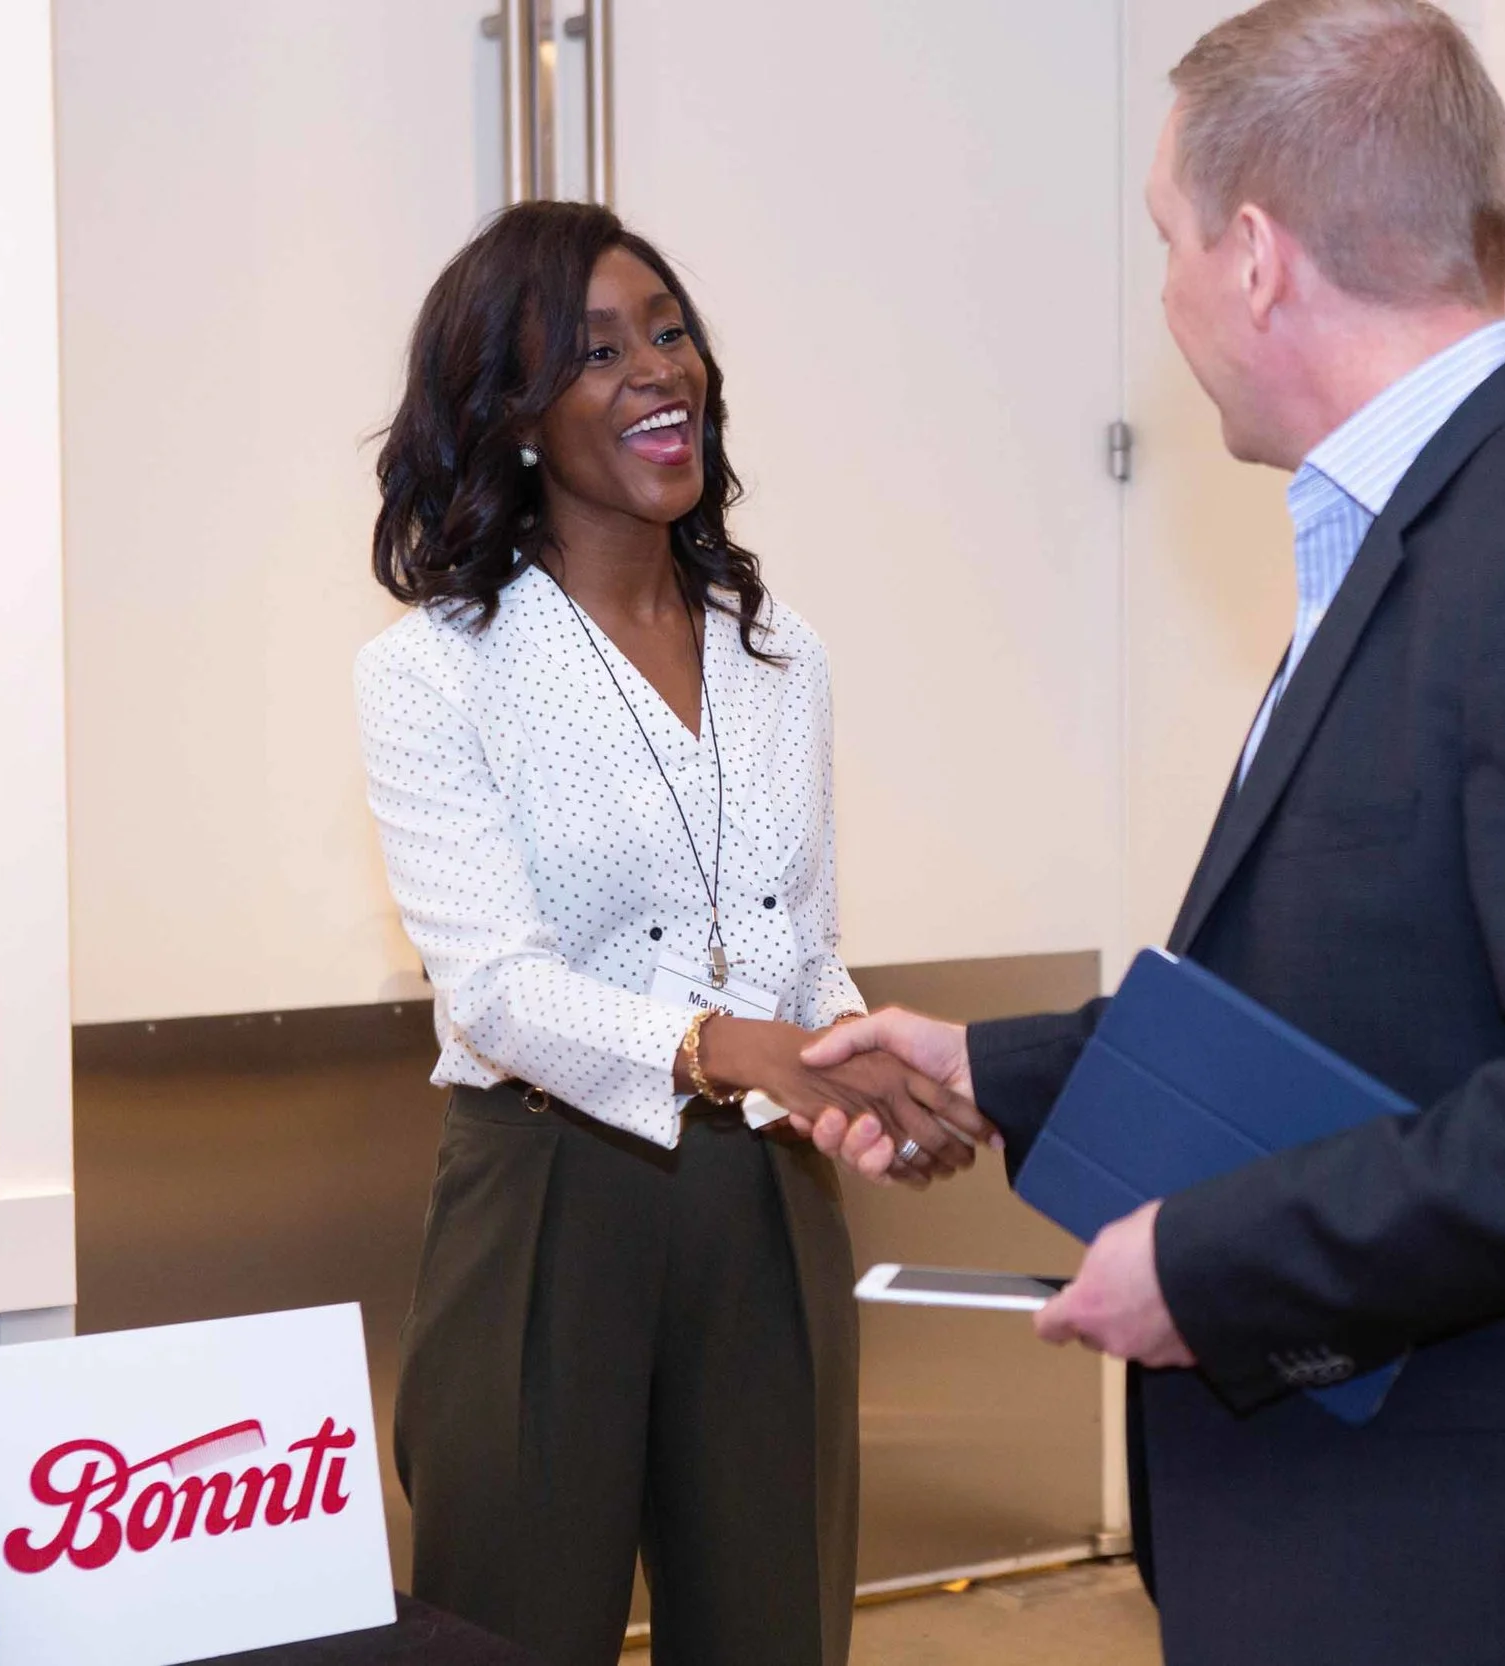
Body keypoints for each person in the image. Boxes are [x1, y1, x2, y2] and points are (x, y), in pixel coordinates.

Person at [801, 2, 1505, 1660]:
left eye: (1168, 241)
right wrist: (999, 1066)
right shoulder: (1434, 527)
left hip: (1499, 1550)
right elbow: (1365, 996)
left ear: (1258, 257)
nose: (1167, 295)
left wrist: (1215, 1265)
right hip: (1400, 1521)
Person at [356, 201, 986, 1666]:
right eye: (596, 351)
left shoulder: (781, 649)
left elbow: (797, 945)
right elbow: (493, 988)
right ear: (512, 416)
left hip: (766, 1193)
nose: (658, 368)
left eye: (670, 330)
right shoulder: (434, 671)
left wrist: (858, 1069)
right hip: (545, 1192)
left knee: (777, 1625)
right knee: (509, 1632)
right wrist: (724, 1046)